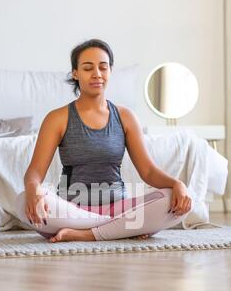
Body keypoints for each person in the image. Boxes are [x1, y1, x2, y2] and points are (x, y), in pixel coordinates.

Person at [15, 38, 192, 243]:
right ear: (75, 73)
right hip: (72, 211)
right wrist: (33, 190)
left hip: (117, 206)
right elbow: (35, 172)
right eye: (88, 68)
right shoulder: (58, 118)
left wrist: (177, 184)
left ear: (110, 71)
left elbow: (149, 172)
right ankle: (119, 229)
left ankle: (87, 234)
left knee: (178, 201)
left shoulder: (125, 117)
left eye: (103, 67)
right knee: (22, 201)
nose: (97, 74)